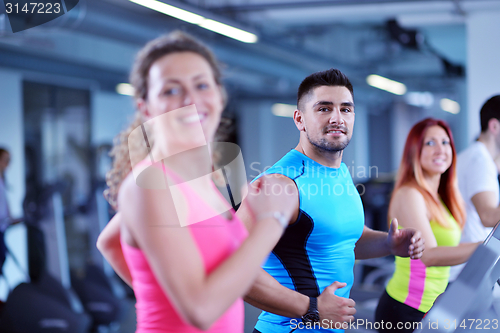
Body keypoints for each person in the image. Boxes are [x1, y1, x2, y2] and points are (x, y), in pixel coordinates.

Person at [97, 31, 296, 332]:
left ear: (219, 95)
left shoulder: (201, 179)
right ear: (146, 108)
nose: (190, 100)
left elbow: (110, 242)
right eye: (170, 91)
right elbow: (202, 310)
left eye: (201, 85)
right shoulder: (149, 187)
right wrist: (273, 220)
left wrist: (162, 289)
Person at [238, 68, 425, 333]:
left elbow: (341, 240)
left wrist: (388, 243)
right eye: (324, 109)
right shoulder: (280, 184)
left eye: (346, 109)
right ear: (300, 119)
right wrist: (311, 307)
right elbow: (231, 265)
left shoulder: (339, 173)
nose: (337, 118)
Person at [374, 118, 480, 333]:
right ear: (415, 151)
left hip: (434, 305)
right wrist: (484, 249)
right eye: (430, 143)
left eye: (445, 142)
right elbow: (429, 256)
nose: (440, 149)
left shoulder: (441, 197)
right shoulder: (409, 194)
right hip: (406, 308)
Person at [449, 95, 500, 283]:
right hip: (467, 270)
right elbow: (487, 217)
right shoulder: (480, 161)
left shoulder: (477, 157)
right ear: (494, 126)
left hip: (468, 267)